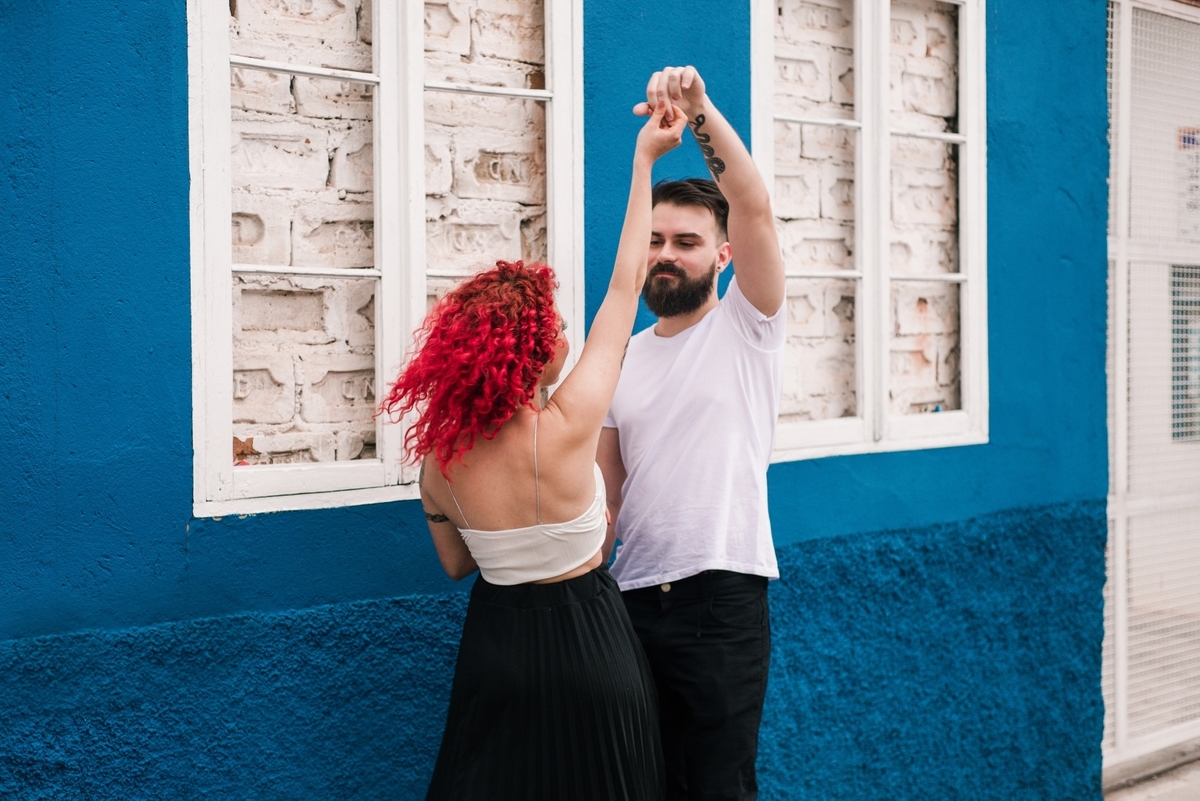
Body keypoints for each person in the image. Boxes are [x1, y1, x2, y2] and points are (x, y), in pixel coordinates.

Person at [381, 99, 688, 801]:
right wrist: (644, 159)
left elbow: (458, 564)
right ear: (530, 350)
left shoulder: (441, 465)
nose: (564, 328)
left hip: (499, 656)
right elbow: (625, 287)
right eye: (551, 323)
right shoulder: (572, 420)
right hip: (595, 653)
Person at [596, 66, 787, 801]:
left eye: (686, 240)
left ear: (723, 254)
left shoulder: (749, 325)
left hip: (722, 598)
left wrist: (699, 113)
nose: (667, 254)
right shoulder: (619, 357)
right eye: (655, 241)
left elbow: (754, 205)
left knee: (715, 787)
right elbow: (607, 501)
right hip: (631, 601)